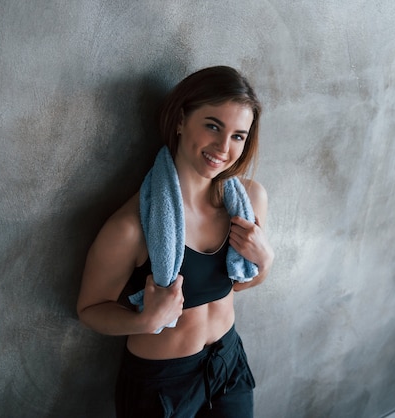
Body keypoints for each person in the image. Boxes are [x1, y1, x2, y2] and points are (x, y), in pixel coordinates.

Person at [76, 66, 274, 417]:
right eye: (213, 126)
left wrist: (265, 260)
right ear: (181, 120)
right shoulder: (132, 227)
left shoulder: (249, 200)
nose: (223, 148)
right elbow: (89, 309)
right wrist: (143, 321)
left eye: (238, 136)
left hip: (228, 365)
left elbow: (236, 286)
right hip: (163, 386)